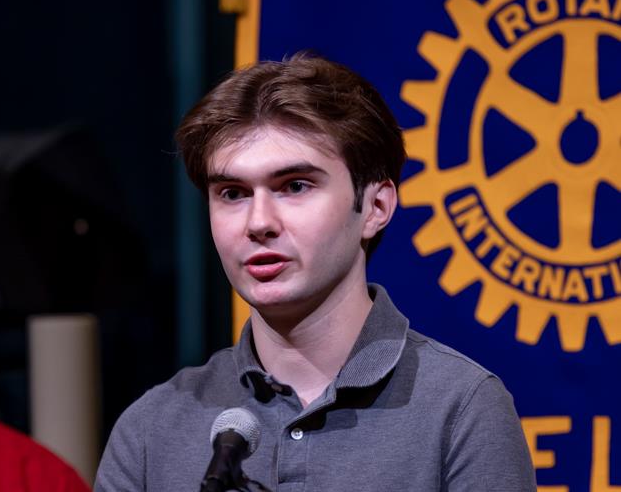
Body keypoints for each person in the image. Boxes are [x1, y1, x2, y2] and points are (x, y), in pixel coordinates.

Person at [95, 54, 536, 491]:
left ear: (376, 207)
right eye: (232, 193)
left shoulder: (461, 409)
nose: (258, 222)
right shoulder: (151, 430)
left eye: (294, 186)